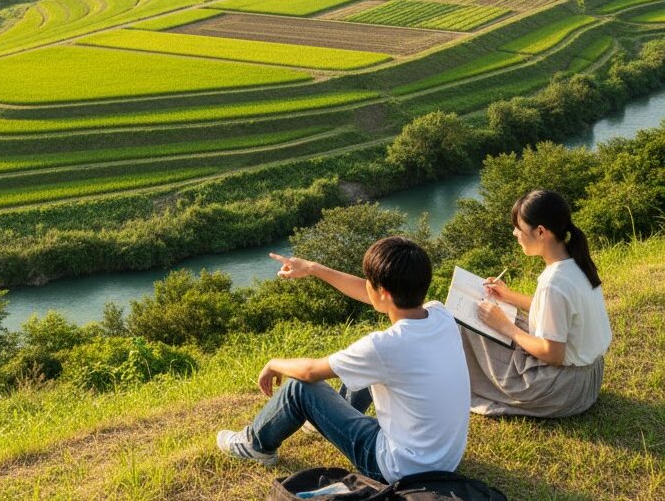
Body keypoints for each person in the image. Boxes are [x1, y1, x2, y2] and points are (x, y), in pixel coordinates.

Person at [216, 237, 470, 484]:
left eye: (370, 282)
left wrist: (273, 363)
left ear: (383, 292)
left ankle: (255, 444)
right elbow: (375, 295)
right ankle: (324, 420)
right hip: (444, 460)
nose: (366, 285)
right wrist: (313, 268)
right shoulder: (440, 315)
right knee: (364, 365)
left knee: (299, 388)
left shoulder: (384, 347)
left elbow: (309, 372)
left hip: (398, 468)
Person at [465, 189, 612, 418]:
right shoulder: (575, 262)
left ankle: (461, 381)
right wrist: (508, 295)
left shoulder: (553, 282)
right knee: (501, 320)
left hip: (564, 389)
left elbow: (552, 354)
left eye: (518, 227)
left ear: (541, 231)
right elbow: (555, 311)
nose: (515, 233)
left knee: (469, 328)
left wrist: (505, 326)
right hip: (590, 376)